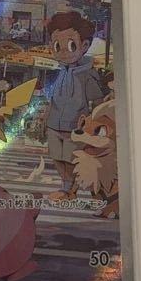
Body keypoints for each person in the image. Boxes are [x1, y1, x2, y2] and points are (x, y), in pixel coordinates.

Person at [43, 11, 105, 197]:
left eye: (71, 45)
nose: (63, 51)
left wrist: (91, 123)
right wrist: (46, 117)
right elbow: (52, 98)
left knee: (71, 158)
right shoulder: (59, 72)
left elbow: (98, 101)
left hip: (75, 125)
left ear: (84, 45)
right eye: (57, 46)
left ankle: (70, 189)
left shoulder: (87, 75)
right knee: (56, 156)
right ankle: (66, 186)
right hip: (54, 123)